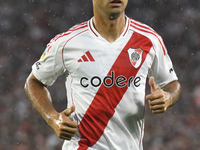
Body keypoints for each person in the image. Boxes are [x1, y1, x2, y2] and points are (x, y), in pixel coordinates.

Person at [24, 0, 181, 149]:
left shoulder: (149, 40)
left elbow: (172, 84)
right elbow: (34, 82)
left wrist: (168, 97)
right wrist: (53, 119)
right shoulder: (68, 42)